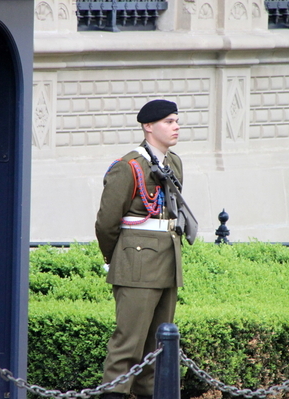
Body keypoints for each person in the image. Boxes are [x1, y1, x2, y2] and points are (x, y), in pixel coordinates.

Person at [95, 99, 185, 399]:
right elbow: (107, 223)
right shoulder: (128, 166)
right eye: (169, 121)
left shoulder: (173, 163)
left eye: (176, 120)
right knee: (127, 346)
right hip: (136, 266)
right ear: (148, 126)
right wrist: (115, 259)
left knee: (158, 348)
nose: (176, 126)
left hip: (167, 263)